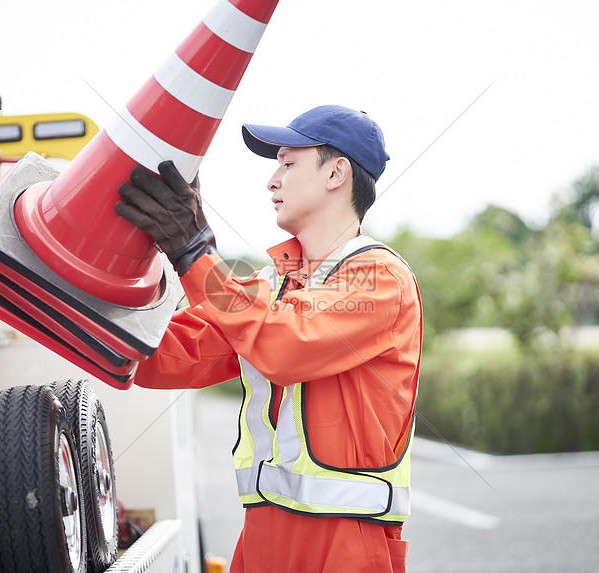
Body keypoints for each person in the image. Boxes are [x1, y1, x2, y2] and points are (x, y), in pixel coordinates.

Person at [115, 105, 423, 573]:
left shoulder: (378, 278)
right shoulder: (272, 286)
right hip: (262, 539)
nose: (272, 180)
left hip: (344, 543)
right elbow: (166, 358)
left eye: (287, 162)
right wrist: (99, 290)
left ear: (337, 173)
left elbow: (283, 345)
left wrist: (196, 253)